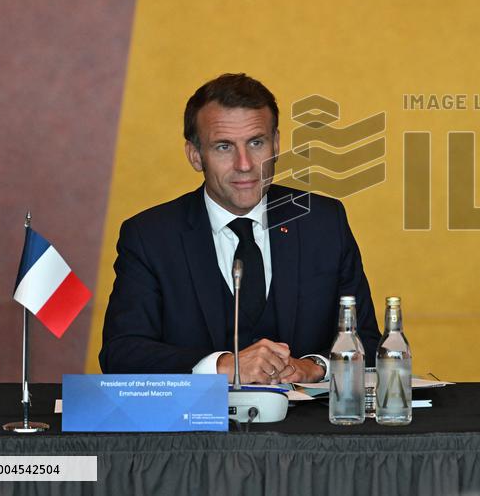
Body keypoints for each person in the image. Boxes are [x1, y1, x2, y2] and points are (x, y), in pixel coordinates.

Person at [99, 73, 380, 383]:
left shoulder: (324, 222)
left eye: (256, 143)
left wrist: (315, 367)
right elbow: (122, 353)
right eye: (223, 147)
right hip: (194, 430)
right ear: (195, 155)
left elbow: (365, 340)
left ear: (275, 144)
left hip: (307, 428)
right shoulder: (150, 236)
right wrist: (223, 366)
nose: (244, 164)